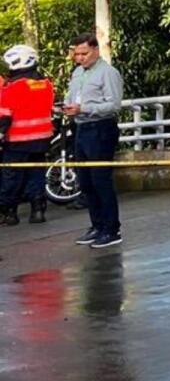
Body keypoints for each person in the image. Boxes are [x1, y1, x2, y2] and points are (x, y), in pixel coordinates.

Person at [64, 33, 124, 248]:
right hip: (80, 126)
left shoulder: (107, 73)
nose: (80, 58)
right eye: (77, 54)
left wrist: (85, 109)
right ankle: (97, 225)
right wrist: (68, 107)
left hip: (100, 127)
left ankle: (111, 228)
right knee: (86, 181)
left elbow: (114, 105)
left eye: (84, 53)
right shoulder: (78, 73)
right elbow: (71, 97)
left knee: (101, 180)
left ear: (96, 51)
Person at [0, 44, 55, 225]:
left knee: (12, 176)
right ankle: (38, 210)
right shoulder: (46, 85)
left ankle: (9, 213)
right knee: (36, 173)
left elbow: (4, 117)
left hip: (17, 140)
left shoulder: (13, 88)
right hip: (42, 139)